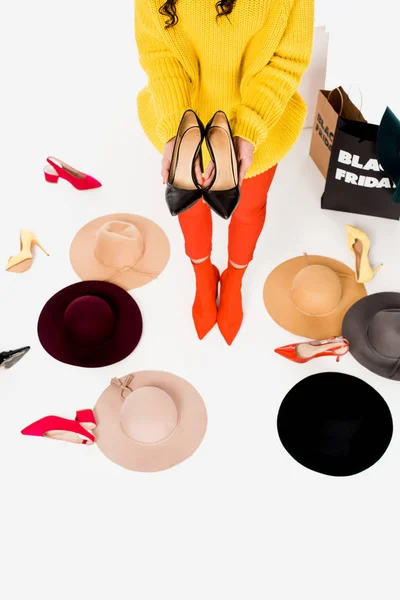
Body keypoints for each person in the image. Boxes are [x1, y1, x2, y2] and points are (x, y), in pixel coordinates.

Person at [135, 0, 314, 344]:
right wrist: (176, 127)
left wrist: (249, 130)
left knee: (248, 207)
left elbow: (287, 59)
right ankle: (203, 274)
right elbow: (159, 52)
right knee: (189, 201)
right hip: (183, 111)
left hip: (259, 118)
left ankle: (235, 276)